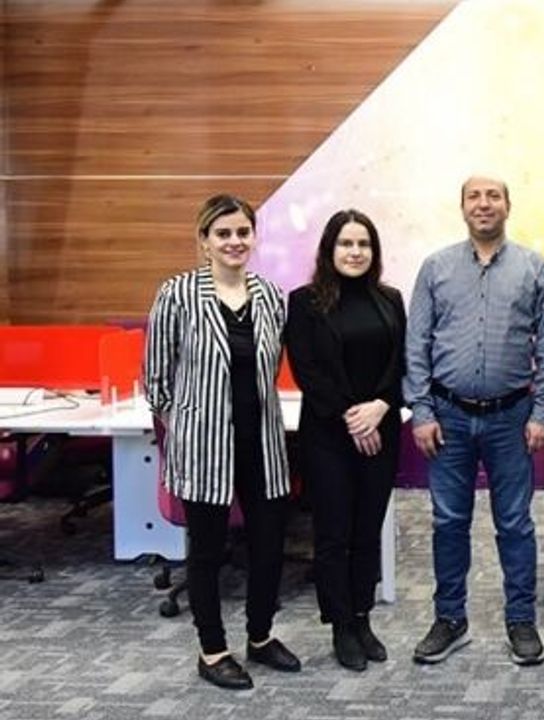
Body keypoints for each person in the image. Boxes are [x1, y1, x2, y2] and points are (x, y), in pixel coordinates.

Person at [143, 194, 300, 690]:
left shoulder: (271, 296)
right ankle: (212, 650)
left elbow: (270, 368)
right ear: (205, 240)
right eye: (223, 233)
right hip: (203, 445)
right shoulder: (178, 294)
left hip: (262, 442)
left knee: (269, 546)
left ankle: (260, 636)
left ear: (254, 237)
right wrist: (189, 422)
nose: (234, 241)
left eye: (242, 232)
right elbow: (156, 378)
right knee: (207, 552)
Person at [403, 176, 544, 666]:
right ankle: (450, 619)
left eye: (494, 196)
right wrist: (421, 411)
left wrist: (542, 411)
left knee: (515, 523)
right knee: (449, 521)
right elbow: (416, 344)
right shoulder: (436, 267)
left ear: (508, 206)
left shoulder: (535, 267)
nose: (484, 204)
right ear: (463, 206)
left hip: (511, 418)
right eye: (475, 196)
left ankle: (521, 620)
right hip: (447, 417)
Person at [285, 209, 405, 672]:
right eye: (346, 243)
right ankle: (340, 625)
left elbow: (402, 363)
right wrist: (353, 418)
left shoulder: (389, 299)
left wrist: (381, 406)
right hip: (329, 435)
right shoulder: (304, 302)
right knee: (334, 533)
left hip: (382, 430)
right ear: (329, 249)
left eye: (364, 244)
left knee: (367, 530)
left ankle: (362, 617)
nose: (355, 252)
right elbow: (308, 370)